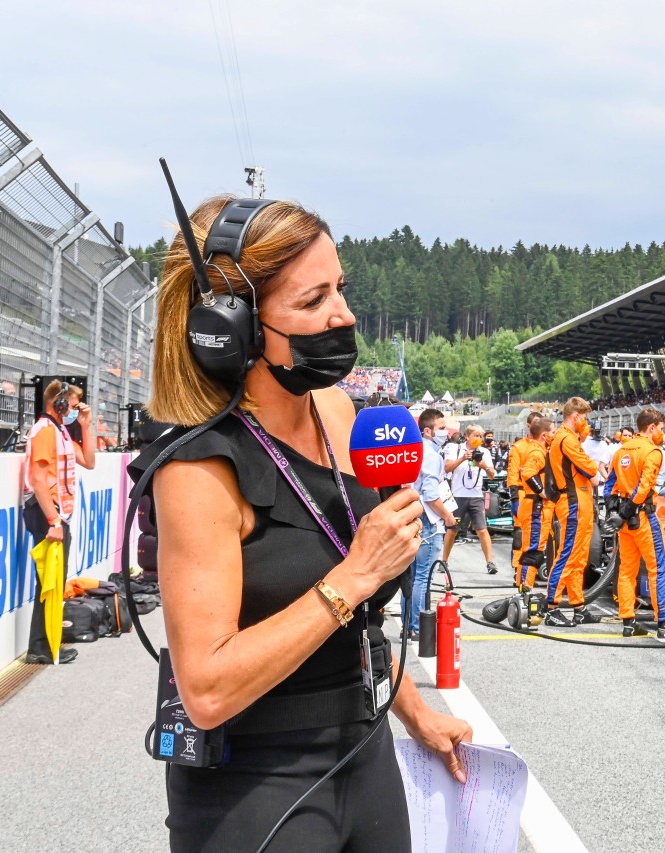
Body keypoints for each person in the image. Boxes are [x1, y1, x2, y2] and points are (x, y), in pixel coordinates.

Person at [132, 194, 471, 850]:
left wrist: (417, 712)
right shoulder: (198, 466)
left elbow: (357, 626)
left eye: (340, 289)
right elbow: (204, 687)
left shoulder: (336, 410)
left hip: (364, 753)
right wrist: (352, 576)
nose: (343, 314)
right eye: (313, 300)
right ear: (235, 326)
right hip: (254, 786)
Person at [20, 380, 95, 665]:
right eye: (74, 405)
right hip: (47, 514)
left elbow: (89, 461)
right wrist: (53, 520)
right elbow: (38, 479)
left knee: (53, 581)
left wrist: (86, 425)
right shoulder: (44, 431)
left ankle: (47, 643)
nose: (77, 410)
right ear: (59, 403)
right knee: (48, 583)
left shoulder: (61, 431)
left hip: (57, 514)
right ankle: (41, 646)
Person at [609, 409, 665, 639]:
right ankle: (664, 624)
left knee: (626, 571)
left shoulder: (621, 450)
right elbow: (645, 485)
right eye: (660, 428)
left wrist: (614, 512)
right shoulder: (653, 452)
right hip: (643, 518)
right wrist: (628, 510)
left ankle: (628, 622)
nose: (662, 432)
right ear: (651, 427)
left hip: (624, 522)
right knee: (658, 569)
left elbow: (611, 484)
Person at [544, 397, 603, 626]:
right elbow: (588, 467)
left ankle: (578, 607)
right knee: (567, 555)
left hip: (580, 502)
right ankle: (552, 607)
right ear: (576, 416)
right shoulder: (566, 439)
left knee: (579, 558)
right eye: (584, 417)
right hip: (573, 503)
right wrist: (593, 467)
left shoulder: (568, 438)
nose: (586, 423)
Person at [404, 408, 456, 641]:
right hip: (429, 518)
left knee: (413, 576)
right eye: (441, 428)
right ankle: (417, 625)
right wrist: (447, 516)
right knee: (423, 576)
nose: (446, 432)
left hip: (414, 515)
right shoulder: (432, 456)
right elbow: (431, 494)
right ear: (427, 431)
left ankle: (409, 624)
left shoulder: (416, 451)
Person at [441, 424, 499, 574]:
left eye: (481, 436)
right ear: (467, 436)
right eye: (476, 436)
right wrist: (462, 458)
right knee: (453, 530)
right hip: (458, 495)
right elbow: (447, 468)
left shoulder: (484, 452)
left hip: (476, 496)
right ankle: (444, 561)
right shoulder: (455, 448)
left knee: (482, 529)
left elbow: (493, 475)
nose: (478, 439)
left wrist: (484, 465)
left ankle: (490, 562)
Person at [515, 418, 556, 590]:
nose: (555, 435)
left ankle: (524, 588)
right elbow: (527, 473)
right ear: (544, 435)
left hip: (538, 507)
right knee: (532, 552)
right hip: (535, 508)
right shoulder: (537, 452)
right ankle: (524, 589)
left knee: (535, 550)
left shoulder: (542, 450)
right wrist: (543, 492)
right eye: (553, 432)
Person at [506, 416, 538, 571]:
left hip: (541, 495)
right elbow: (513, 473)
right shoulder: (518, 447)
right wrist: (514, 498)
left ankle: (532, 568)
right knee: (520, 531)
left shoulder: (544, 446)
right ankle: (517, 567)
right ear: (529, 425)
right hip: (522, 493)